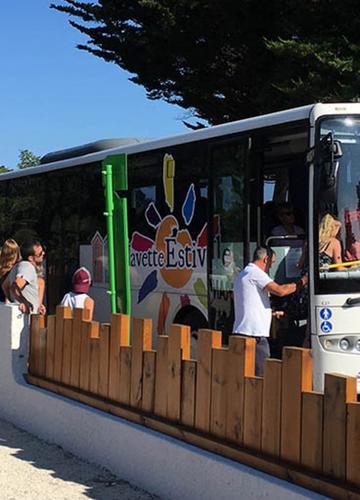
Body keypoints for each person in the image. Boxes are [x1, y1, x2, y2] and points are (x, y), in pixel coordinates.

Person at [233, 246, 307, 376]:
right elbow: (280, 290)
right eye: (271, 263)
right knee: (262, 376)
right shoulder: (256, 273)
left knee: (245, 374)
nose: (270, 268)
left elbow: (251, 302)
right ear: (265, 259)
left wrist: (269, 313)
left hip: (242, 330)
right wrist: (303, 281)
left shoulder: (244, 273)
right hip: (254, 334)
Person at [8, 240, 46, 314]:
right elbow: (14, 287)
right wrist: (23, 301)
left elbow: (6, 286)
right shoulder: (28, 267)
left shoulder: (17, 266)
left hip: (22, 316)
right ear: (31, 258)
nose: (43, 254)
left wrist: (38, 305)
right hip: (26, 319)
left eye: (43, 251)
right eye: (40, 253)